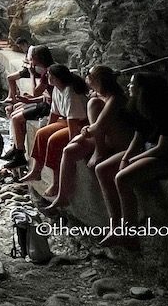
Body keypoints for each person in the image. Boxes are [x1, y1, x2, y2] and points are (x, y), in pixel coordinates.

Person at [94, 72, 168, 240]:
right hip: (147, 150)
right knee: (102, 169)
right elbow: (137, 137)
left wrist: (132, 160)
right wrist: (125, 157)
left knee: (122, 178)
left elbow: (162, 148)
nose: (129, 87)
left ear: (144, 89)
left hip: (167, 157)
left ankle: (128, 232)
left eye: (133, 85)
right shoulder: (139, 107)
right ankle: (115, 223)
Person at [42, 65, 133, 212]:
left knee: (93, 105)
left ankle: (99, 150)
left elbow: (98, 127)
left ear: (97, 80)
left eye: (89, 76)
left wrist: (84, 132)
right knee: (69, 150)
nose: (86, 78)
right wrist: (84, 133)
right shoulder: (97, 95)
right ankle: (62, 196)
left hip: (117, 141)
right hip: (101, 137)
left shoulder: (115, 99)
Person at [19, 64, 89, 185]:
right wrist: (47, 128)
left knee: (54, 141)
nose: (46, 76)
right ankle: (36, 170)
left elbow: (73, 122)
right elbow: (54, 114)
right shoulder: (57, 89)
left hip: (79, 124)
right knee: (41, 133)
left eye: (49, 75)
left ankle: (56, 182)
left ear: (57, 78)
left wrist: (73, 142)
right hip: (65, 121)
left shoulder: (70, 93)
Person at [1, 46, 55, 169]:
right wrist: (28, 100)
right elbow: (44, 95)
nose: (31, 61)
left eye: (32, 58)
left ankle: (19, 154)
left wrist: (31, 74)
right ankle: (16, 147)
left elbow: (36, 92)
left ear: (37, 59)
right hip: (46, 102)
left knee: (16, 118)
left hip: (49, 107)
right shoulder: (49, 69)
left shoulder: (47, 73)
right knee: (15, 109)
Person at [4, 37, 38, 103]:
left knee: (10, 78)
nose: (20, 49)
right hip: (28, 70)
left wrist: (27, 62)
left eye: (21, 47)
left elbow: (33, 63)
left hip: (30, 70)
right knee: (11, 77)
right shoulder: (29, 50)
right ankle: (10, 96)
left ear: (24, 44)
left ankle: (13, 99)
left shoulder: (31, 49)